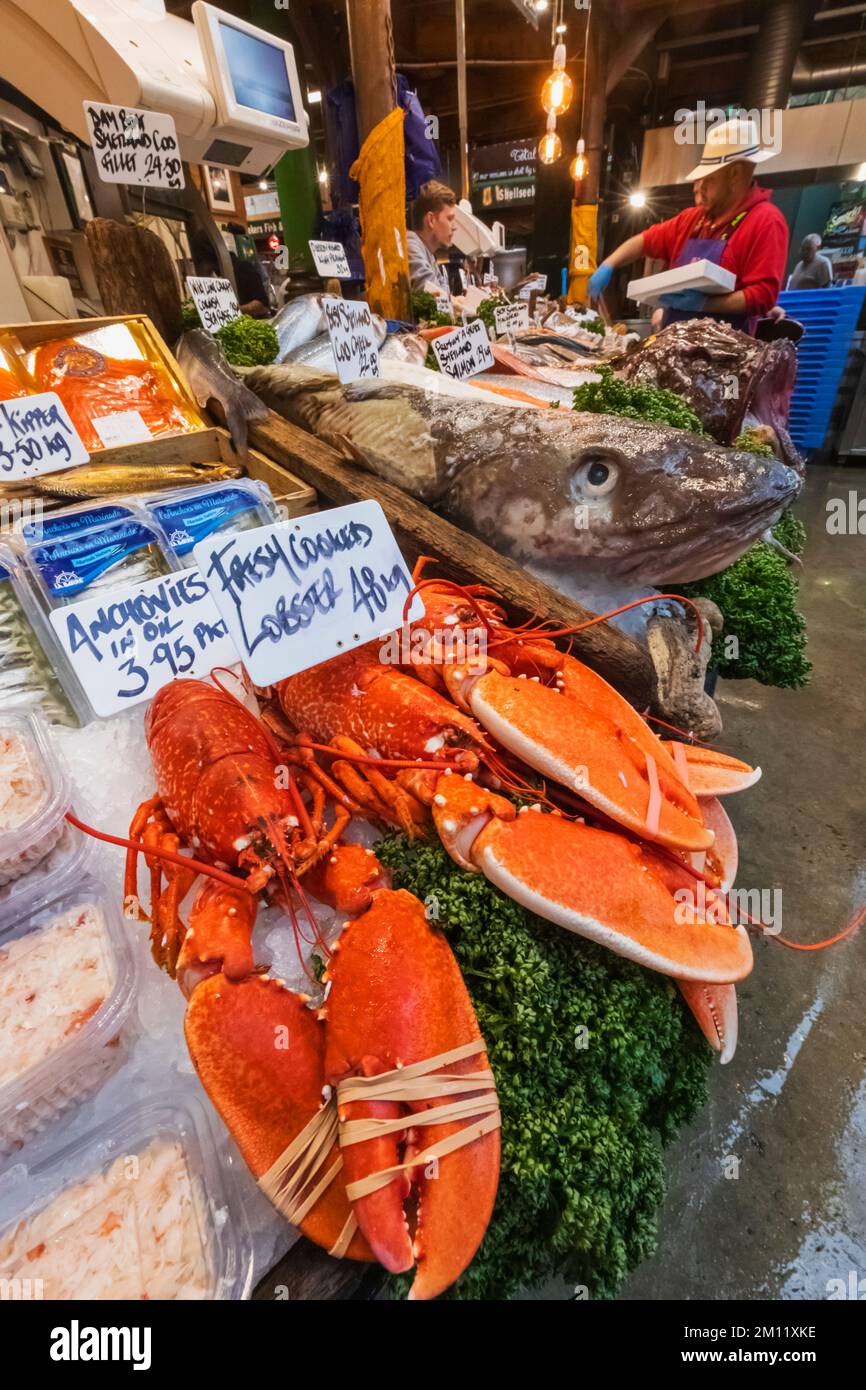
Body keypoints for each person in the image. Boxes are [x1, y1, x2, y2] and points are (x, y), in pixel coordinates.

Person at [588, 118, 788, 335]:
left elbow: (762, 297)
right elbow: (645, 241)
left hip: (722, 359)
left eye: (709, 179)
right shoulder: (692, 220)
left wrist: (705, 305)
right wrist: (609, 264)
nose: (699, 187)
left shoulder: (766, 222)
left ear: (735, 174)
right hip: (672, 344)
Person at [406, 181, 458, 298]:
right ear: (431, 220)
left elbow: (443, 295)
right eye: (450, 219)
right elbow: (434, 297)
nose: (455, 227)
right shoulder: (410, 244)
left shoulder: (428, 253)